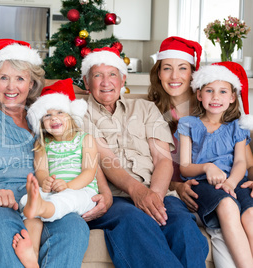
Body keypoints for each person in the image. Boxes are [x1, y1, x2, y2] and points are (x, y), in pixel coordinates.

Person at [0, 39, 90, 267]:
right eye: (3, 78)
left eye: (20, 78)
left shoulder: (43, 118)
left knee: (75, 227)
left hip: (47, 199)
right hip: (2, 204)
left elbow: (81, 148)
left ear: (31, 84)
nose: (11, 87)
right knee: (0, 228)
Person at [80, 46, 209, 267]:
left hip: (157, 190)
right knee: (135, 221)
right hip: (114, 196)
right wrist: (138, 193)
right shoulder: (78, 112)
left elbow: (163, 160)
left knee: (183, 226)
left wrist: (155, 197)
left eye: (112, 74)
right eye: (97, 75)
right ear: (86, 82)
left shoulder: (146, 108)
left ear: (123, 80)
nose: (105, 82)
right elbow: (106, 159)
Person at [148, 36, 246, 268]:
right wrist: (177, 186)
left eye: (182, 68)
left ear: (193, 74)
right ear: (158, 73)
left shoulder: (215, 108)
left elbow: (244, 161)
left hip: (222, 185)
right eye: (167, 68)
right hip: (180, 190)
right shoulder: (148, 111)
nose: (174, 76)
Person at [12, 78, 98, 267]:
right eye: (47, 115)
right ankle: (31, 253)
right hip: (53, 190)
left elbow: (89, 172)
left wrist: (68, 186)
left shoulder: (86, 139)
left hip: (81, 191)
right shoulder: (42, 144)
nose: (54, 118)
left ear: (72, 115)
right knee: (29, 202)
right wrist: (45, 183)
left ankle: (42, 208)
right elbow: (41, 170)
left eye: (60, 112)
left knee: (62, 201)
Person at [177, 61, 253, 267]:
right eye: (209, 90)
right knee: (227, 205)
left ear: (231, 97)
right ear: (199, 95)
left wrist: (230, 182)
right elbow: (184, 166)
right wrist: (206, 167)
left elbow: (240, 162)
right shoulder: (188, 124)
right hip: (204, 184)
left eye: (222, 91)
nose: (216, 97)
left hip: (234, 181)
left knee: (251, 215)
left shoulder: (238, 126)